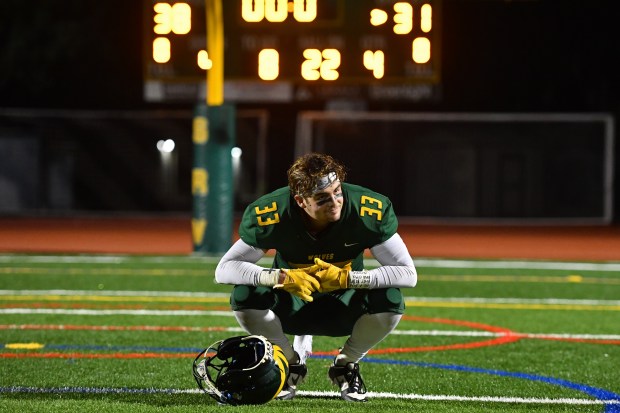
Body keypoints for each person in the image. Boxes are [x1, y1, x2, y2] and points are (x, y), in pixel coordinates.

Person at [215, 152, 417, 402]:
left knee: (391, 298)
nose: (335, 202)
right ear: (300, 201)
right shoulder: (274, 212)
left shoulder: (366, 208)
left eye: (337, 192)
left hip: (344, 304)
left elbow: (408, 274)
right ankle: (289, 362)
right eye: (322, 198)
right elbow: (225, 269)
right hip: (292, 303)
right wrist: (282, 278)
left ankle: (346, 364)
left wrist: (348, 279)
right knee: (245, 294)